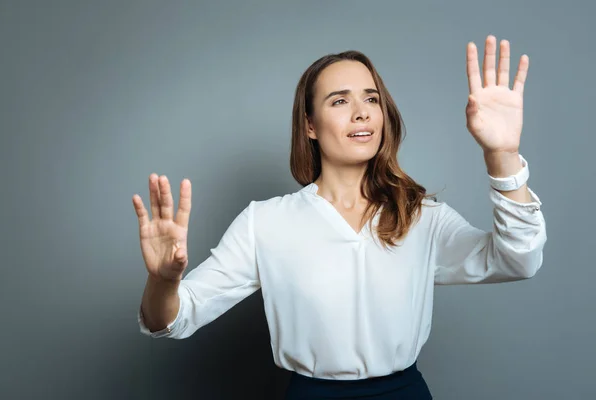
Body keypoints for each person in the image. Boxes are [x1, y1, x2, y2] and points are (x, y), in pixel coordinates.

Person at [132, 34, 546, 399]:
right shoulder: (266, 222)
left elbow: (518, 259)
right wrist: (163, 281)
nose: (362, 112)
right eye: (340, 100)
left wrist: (502, 155)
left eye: (371, 98)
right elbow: (173, 318)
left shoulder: (421, 216)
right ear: (310, 125)